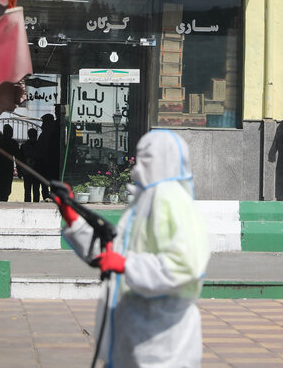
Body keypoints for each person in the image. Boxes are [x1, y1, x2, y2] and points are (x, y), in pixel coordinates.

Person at [54, 130, 210, 368]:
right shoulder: (145, 200)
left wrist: (127, 265)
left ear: (167, 160)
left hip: (164, 344)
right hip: (132, 338)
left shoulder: (173, 201)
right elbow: (111, 253)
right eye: (139, 157)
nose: (139, 166)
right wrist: (73, 219)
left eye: (148, 158)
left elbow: (186, 266)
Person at [0, 124, 20, 202]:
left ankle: (1, 200)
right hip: (3, 169)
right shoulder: (13, 143)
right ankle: (2, 200)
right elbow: (17, 158)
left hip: (1, 169)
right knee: (4, 188)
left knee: (2, 188)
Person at [37, 113, 60, 201]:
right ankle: (46, 197)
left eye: (44, 122)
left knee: (51, 182)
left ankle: (51, 197)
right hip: (44, 162)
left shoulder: (53, 133)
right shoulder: (45, 134)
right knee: (44, 184)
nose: (42, 125)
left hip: (50, 162)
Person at [20, 128, 42, 202]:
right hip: (36, 170)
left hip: (27, 171)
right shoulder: (39, 146)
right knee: (36, 190)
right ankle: (35, 205)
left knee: (28, 190)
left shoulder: (24, 146)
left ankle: (27, 205)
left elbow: (20, 159)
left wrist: (20, 170)